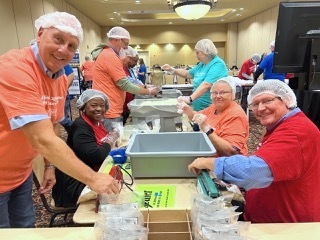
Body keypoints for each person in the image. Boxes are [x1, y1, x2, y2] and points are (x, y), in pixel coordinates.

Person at [0, 12, 120, 228]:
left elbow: (53, 125)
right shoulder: (15, 68)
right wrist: (92, 179)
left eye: (72, 46)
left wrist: (50, 166)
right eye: (58, 39)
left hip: (21, 174)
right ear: (40, 34)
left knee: (25, 229)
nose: (64, 50)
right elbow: (42, 139)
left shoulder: (57, 77)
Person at [188, 80, 320, 223]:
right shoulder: (281, 127)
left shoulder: (295, 133)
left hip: (286, 226)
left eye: (267, 100)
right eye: (255, 104)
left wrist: (208, 162)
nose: (260, 108)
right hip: (268, 217)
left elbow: (253, 171)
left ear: (287, 100)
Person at [52, 89, 120, 208]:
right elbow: (96, 156)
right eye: (94, 105)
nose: (99, 109)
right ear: (84, 107)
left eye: (102, 106)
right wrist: (110, 139)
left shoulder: (97, 122)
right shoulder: (81, 126)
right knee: (116, 194)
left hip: (91, 172)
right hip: (76, 181)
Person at [92, 26, 157, 132]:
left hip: (112, 108)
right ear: (117, 39)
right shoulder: (110, 56)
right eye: (126, 44)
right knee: (112, 144)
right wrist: (148, 91)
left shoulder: (108, 55)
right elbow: (125, 84)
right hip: (110, 111)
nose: (126, 48)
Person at [178, 78, 249, 156]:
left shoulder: (236, 115)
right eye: (214, 93)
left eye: (223, 92)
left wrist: (208, 130)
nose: (218, 96)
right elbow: (197, 117)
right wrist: (188, 110)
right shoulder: (214, 107)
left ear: (233, 95)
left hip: (227, 162)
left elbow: (232, 151)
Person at [162, 39, 228, 111]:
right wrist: (172, 70)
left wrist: (190, 99)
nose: (195, 55)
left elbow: (206, 85)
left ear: (206, 52)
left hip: (213, 108)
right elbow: (187, 74)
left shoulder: (217, 64)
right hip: (199, 108)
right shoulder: (202, 64)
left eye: (197, 53)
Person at [119, 46, 141, 125]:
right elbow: (129, 83)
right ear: (129, 58)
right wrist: (147, 90)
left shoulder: (128, 69)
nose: (135, 64)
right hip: (121, 107)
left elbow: (133, 81)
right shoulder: (120, 68)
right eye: (135, 61)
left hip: (127, 104)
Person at [60, 64, 75, 133]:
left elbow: (71, 75)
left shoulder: (59, 60)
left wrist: (63, 90)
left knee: (63, 119)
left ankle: (77, 132)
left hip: (60, 95)